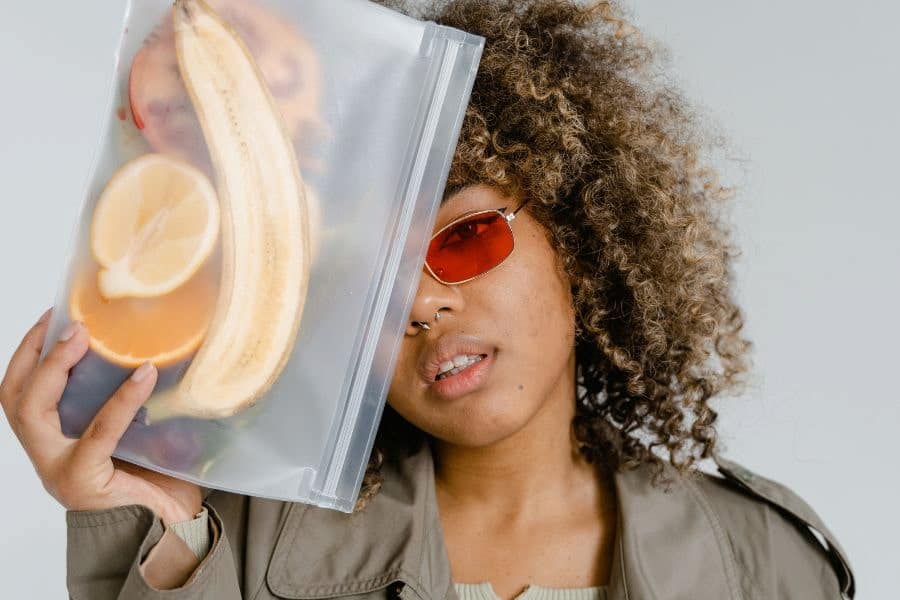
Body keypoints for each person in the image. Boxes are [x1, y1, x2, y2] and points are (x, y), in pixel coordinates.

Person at [0, 1, 855, 598]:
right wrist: (158, 531)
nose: (420, 306)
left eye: (465, 239)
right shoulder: (236, 550)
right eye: (369, 284)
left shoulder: (766, 564)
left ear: (581, 241)